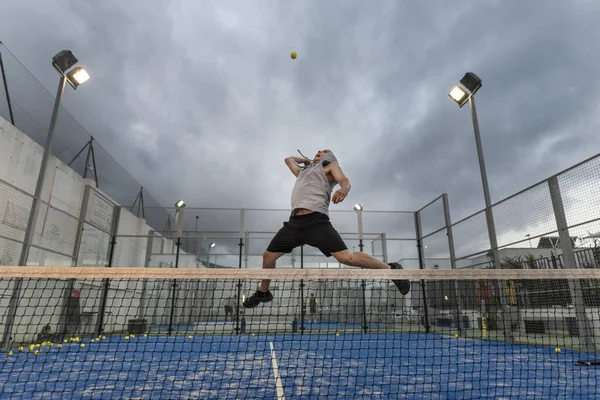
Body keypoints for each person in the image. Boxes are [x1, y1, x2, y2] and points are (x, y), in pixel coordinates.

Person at [242, 149, 411, 309]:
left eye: (322, 151)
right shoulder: (303, 173)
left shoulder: (330, 166)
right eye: (317, 151)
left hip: (316, 221)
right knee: (268, 256)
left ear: (329, 156)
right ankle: (263, 293)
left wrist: (343, 189)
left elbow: (344, 180)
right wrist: (307, 161)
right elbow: (289, 160)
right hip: (294, 223)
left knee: (347, 258)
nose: (318, 152)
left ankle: (391, 270)